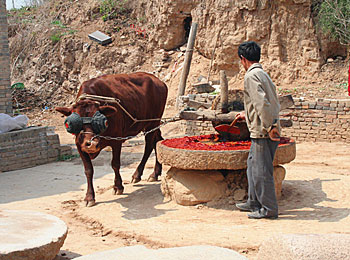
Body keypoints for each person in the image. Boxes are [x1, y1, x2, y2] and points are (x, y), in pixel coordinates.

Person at [235, 41, 281, 219]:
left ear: (243, 59)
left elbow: (262, 103)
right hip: (263, 127)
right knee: (252, 166)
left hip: (263, 131)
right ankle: (253, 201)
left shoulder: (251, 76)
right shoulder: (262, 74)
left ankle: (268, 209)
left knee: (262, 171)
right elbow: (265, 102)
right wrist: (246, 114)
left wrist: (269, 127)